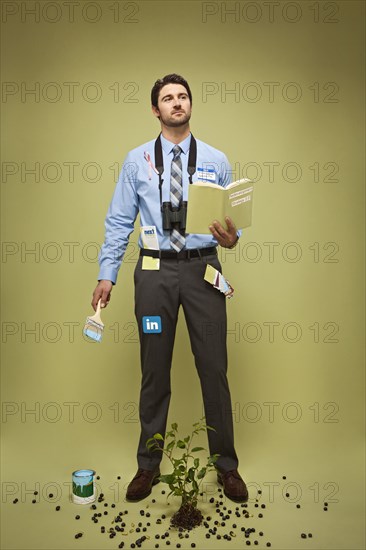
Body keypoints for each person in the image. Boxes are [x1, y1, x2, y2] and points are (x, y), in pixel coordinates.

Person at [91, 74, 248, 503]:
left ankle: (227, 466)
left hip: (203, 273)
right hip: (154, 276)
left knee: (214, 369)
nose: (176, 103)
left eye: (182, 97)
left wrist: (233, 240)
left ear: (190, 105)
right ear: (155, 110)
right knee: (154, 370)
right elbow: (119, 222)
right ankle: (147, 465)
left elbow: (230, 225)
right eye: (167, 98)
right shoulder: (135, 160)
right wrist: (108, 274)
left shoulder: (217, 159)